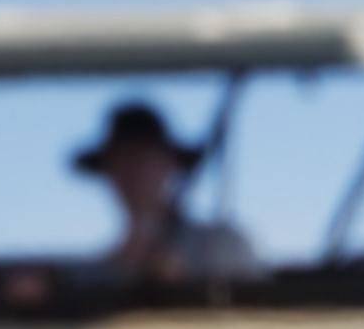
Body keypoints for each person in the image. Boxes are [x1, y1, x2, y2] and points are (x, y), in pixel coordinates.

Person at [70, 100, 264, 290]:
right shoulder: (92, 274)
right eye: (120, 159)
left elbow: (256, 312)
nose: (131, 170)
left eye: (142, 157)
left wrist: (183, 288)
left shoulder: (223, 245)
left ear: (170, 163)